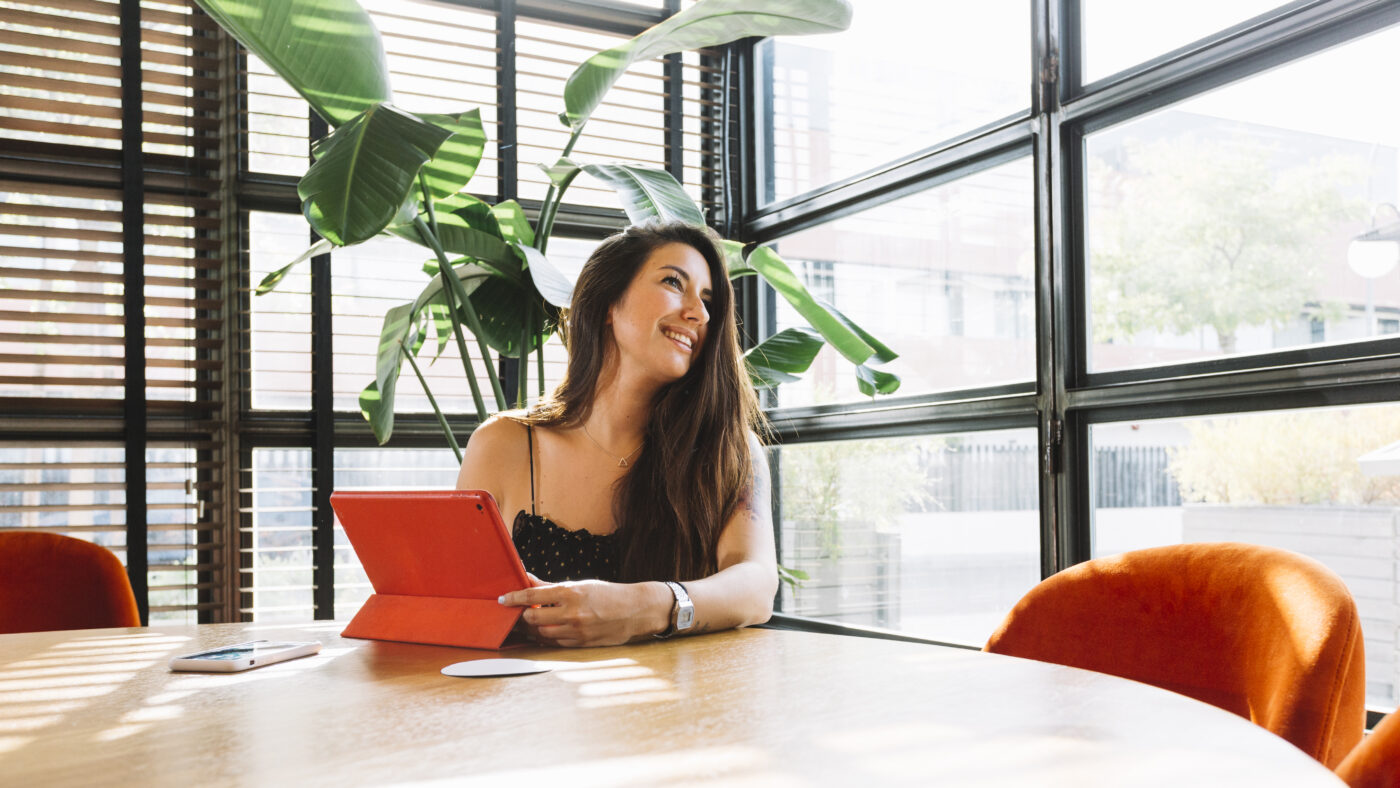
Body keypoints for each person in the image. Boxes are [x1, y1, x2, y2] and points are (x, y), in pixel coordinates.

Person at [455, 221, 777, 647]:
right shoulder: (502, 444)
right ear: (608, 302)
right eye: (673, 282)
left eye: (706, 299)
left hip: (682, 705)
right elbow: (458, 601)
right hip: (529, 704)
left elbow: (756, 587)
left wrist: (644, 607)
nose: (698, 313)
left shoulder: (730, 450)